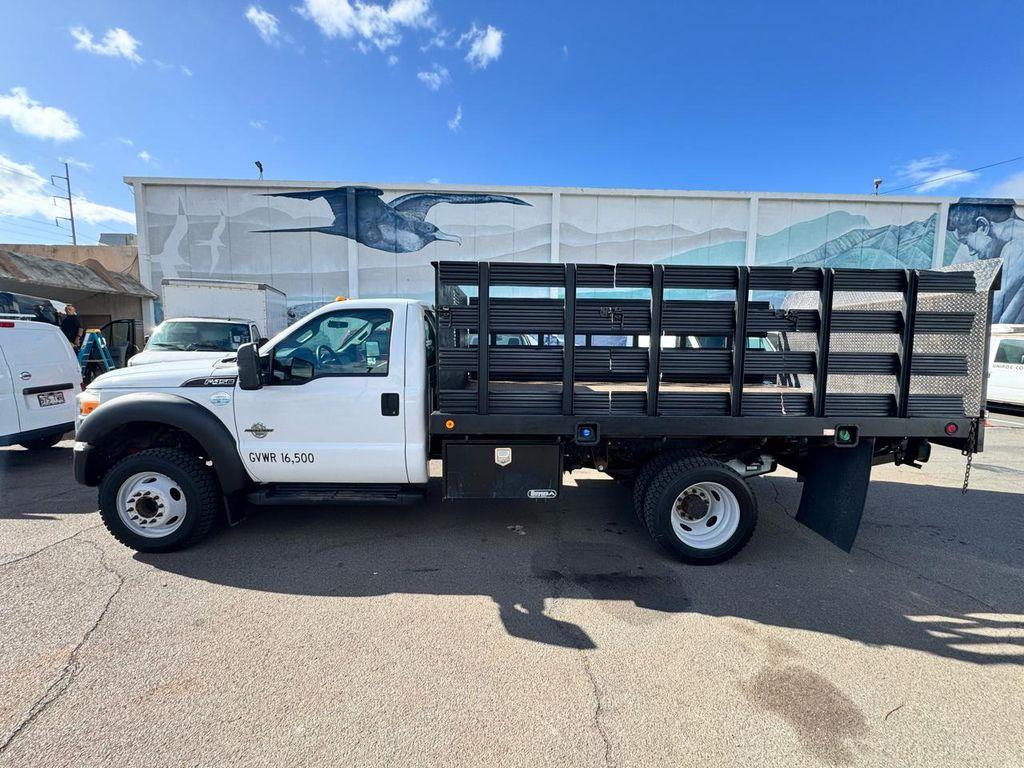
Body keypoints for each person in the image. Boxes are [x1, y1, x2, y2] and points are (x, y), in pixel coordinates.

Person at [947, 198, 1024, 323]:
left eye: (966, 242)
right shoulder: (1007, 244)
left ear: (983, 226)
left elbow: (991, 316)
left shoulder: (1018, 248)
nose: (971, 251)